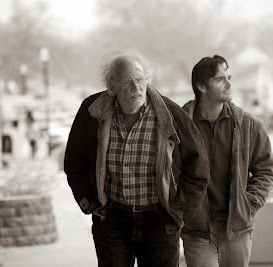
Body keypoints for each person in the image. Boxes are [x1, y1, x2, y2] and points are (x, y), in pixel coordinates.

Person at [64, 50, 210, 267]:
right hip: (112, 220)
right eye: (127, 83)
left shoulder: (171, 114)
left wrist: (179, 213)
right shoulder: (92, 111)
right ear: (112, 87)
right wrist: (89, 203)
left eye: (140, 80)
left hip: (159, 222)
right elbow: (74, 161)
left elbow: (198, 168)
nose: (136, 88)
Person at [180, 55, 273, 267]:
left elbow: (266, 170)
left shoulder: (249, 125)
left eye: (229, 77)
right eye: (219, 79)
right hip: (197, 229)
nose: (229, 84)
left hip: (237, 228)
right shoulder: (180, 126)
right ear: (201, 86)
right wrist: (181, 208)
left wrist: (250, 203)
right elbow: (167, 172)